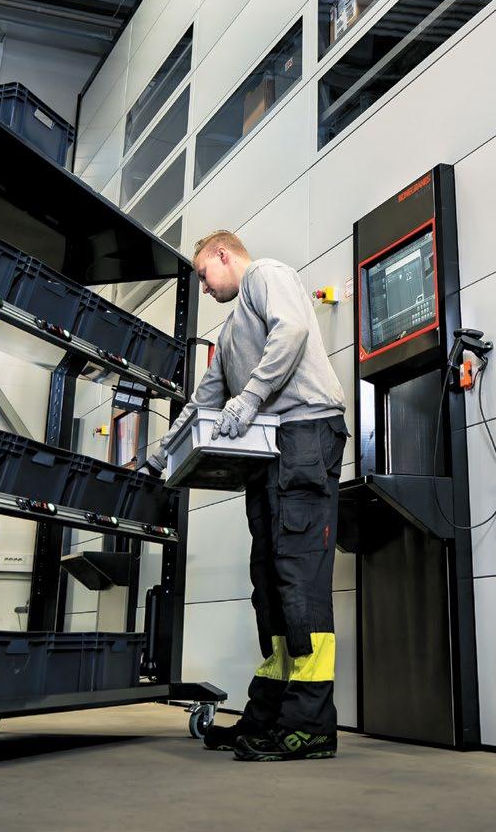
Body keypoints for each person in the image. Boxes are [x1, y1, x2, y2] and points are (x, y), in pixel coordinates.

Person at [139, 230, 348, 762]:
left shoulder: (265, 275)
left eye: (203, 275)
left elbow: (293, 329)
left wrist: (250, 398)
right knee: (270, 586)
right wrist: (162, 452)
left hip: (305, 435)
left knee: (298, 579)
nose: (204, 288)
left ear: (222, 254)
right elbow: (205, 398)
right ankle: (269, 716)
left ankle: (310, 725)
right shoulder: (232, 330)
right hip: (271, 451)